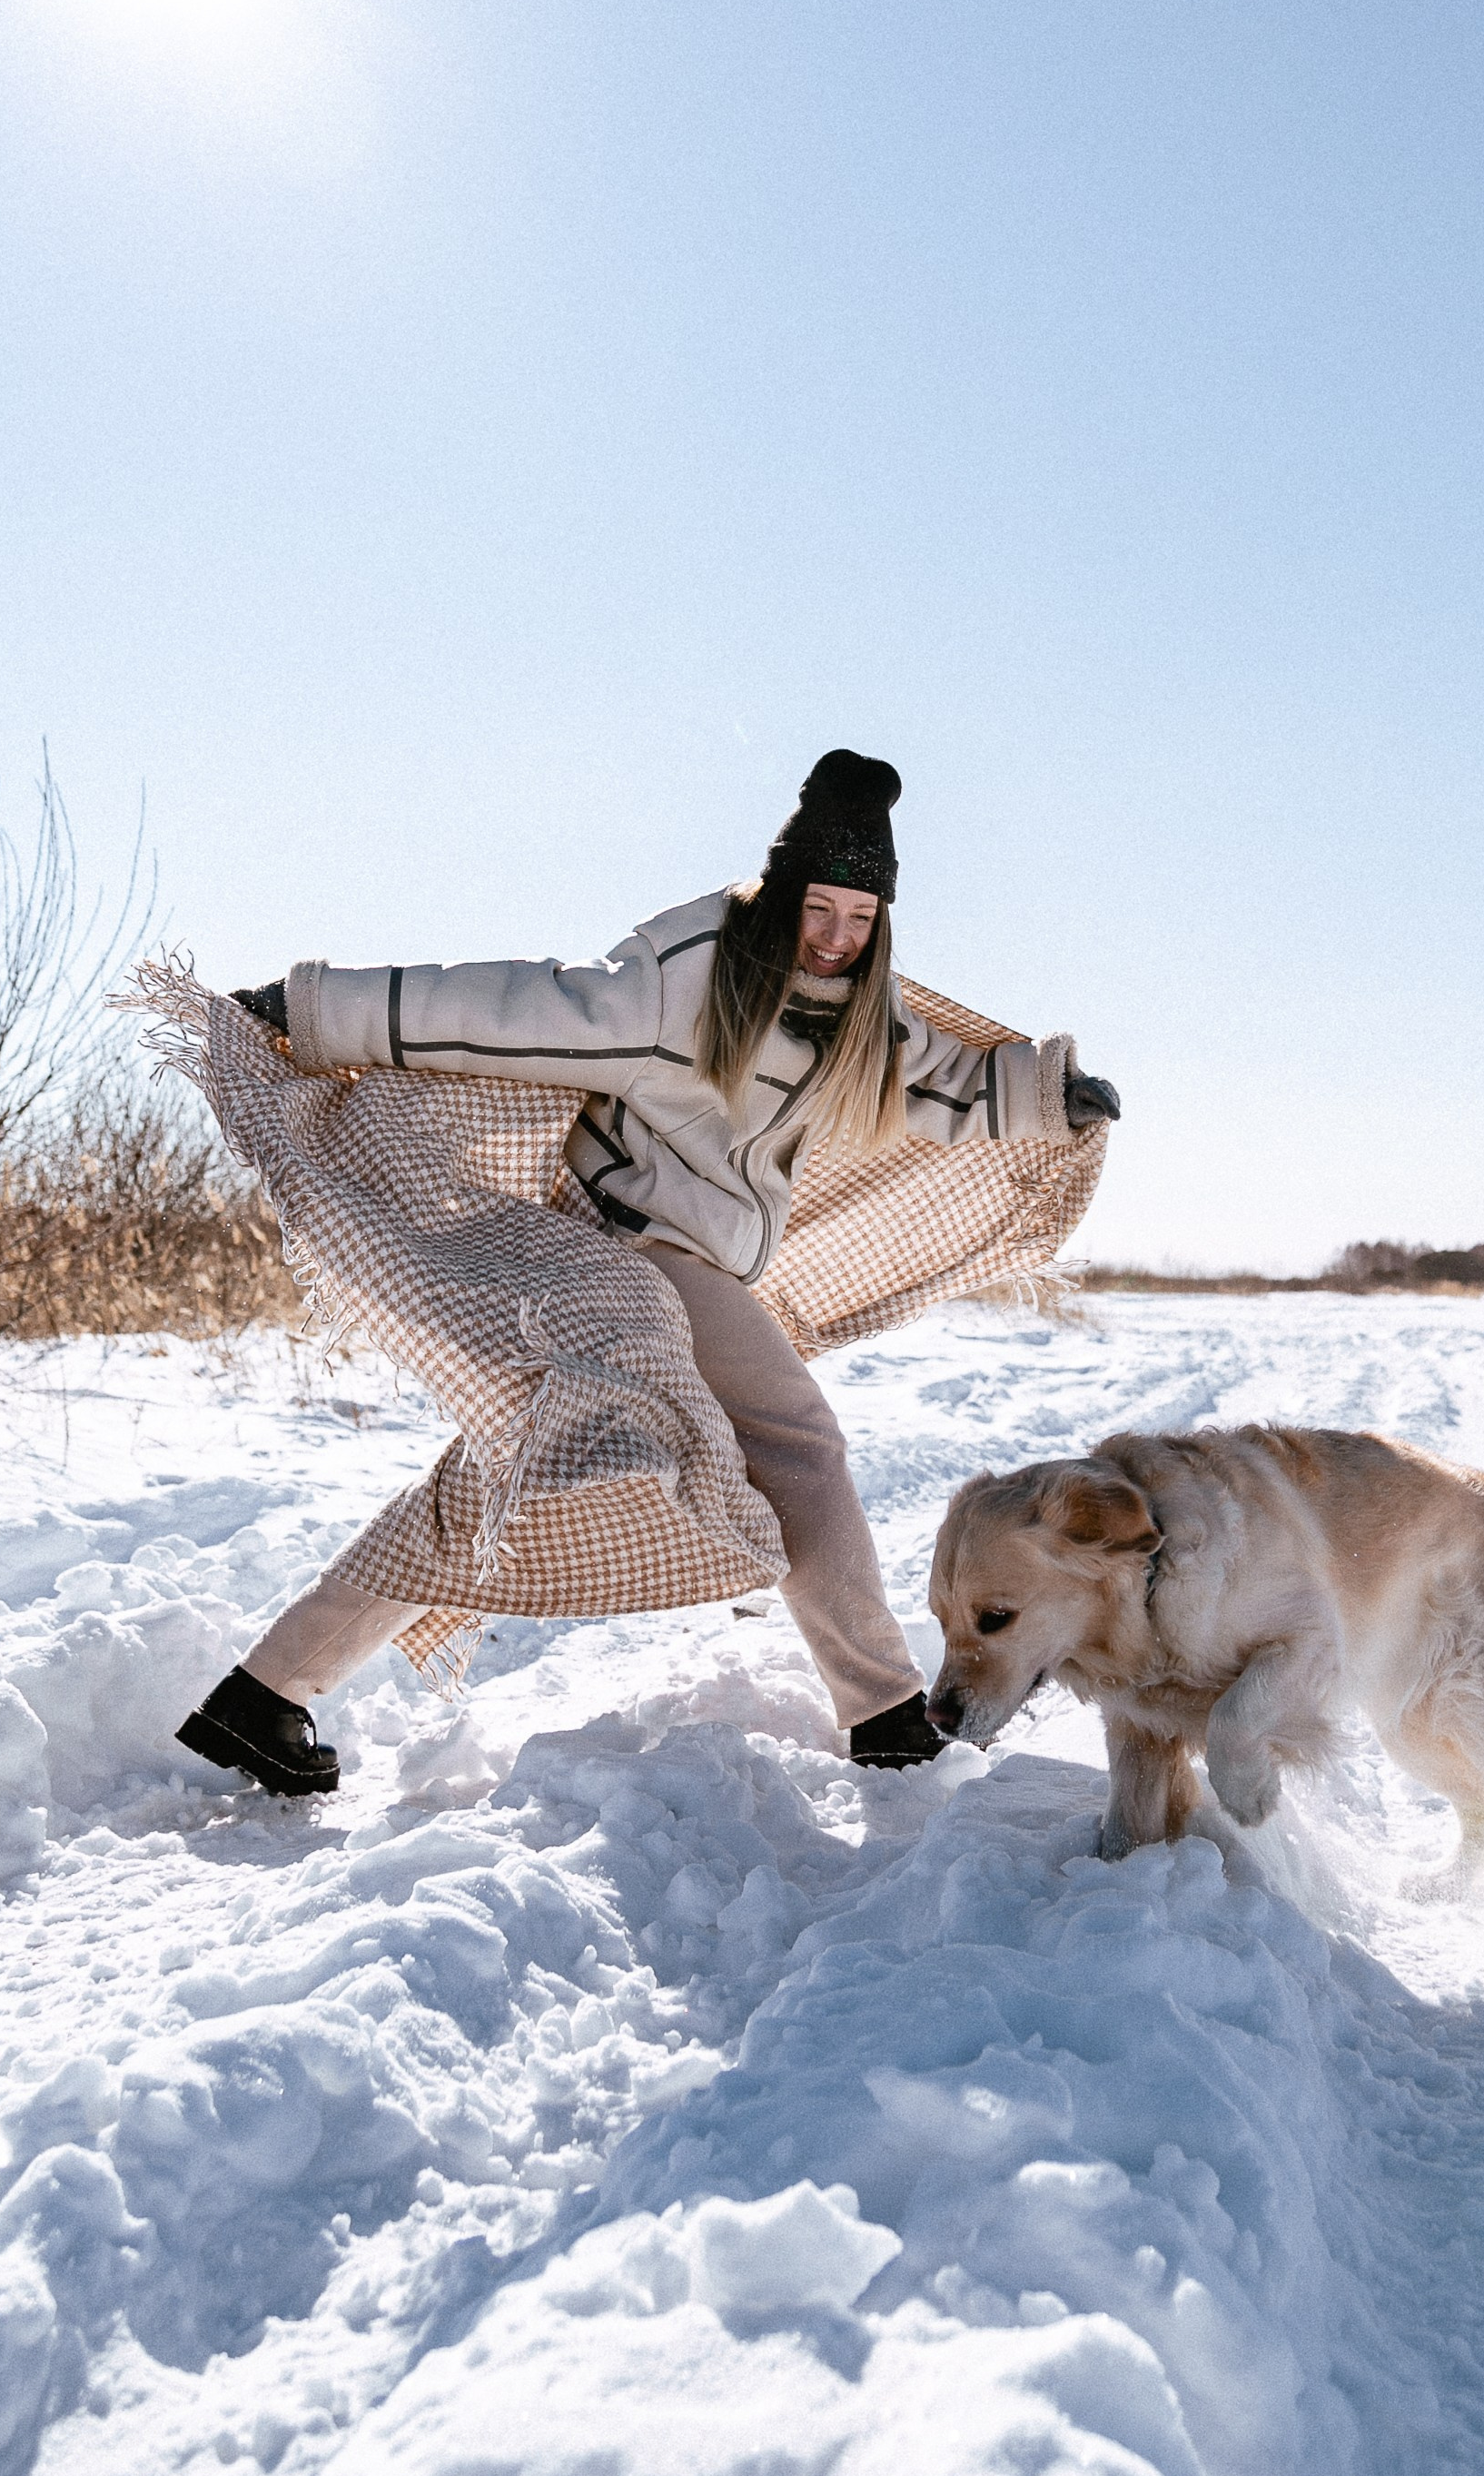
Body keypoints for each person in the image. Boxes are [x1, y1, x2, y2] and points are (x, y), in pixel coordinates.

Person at [176, 750, 1119, 1799]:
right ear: (782, 894)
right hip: (632, 1253)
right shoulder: (686, 981)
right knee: (798, 1445)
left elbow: (928, 1069)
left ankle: (261, 1695)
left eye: (861, 916)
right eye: (821, 908)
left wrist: (1040, 1092)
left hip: (683, 1257)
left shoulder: (855, 1003)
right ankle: (888, 1714)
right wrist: (314, 1012)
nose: (838, 936)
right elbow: (506, 1008)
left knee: (496, 1471)